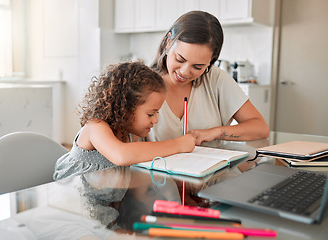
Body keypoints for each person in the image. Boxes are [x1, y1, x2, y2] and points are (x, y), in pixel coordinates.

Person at [53, 61, 195, 181]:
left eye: (156, 113)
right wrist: (178, 144)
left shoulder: (130, 135)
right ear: (125, 108)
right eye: (151, 114)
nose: (156, 120)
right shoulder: (95, 127)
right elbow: (121, 155)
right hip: (68, 202)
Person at [147, 10, 270, 145]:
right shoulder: (143, 83)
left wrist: (215, 132)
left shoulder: (216, 79)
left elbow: (261, 128)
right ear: (168, 42)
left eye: (198, 67)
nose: (185, 72)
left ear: (211, 61)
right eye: (180, 59)